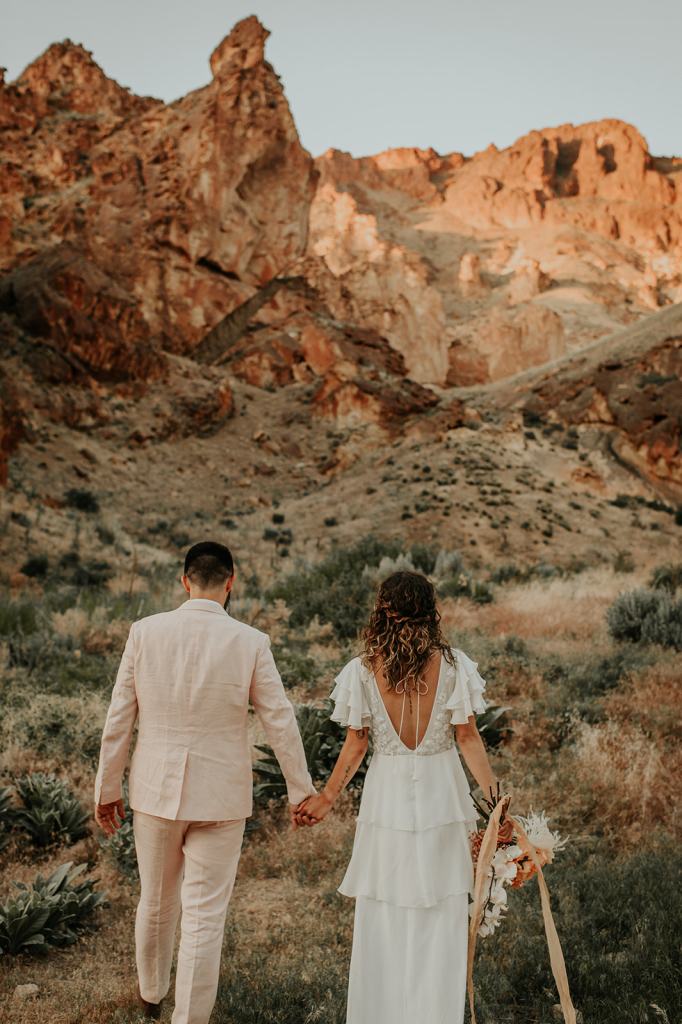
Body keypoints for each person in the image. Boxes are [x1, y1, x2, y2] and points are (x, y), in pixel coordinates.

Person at [94, 541, 316, 1024]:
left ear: (184, 580)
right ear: (231, 582)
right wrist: (301, 790)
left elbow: (119, 718)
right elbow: (280, 720)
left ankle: (151, 995)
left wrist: (107, 787)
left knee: (155, 901)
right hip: (221, 797)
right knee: (204, 916)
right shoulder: (250, 641)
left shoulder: (144, 632)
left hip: (155, 790)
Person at [295, 570, 513, 1024]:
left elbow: (356, 746)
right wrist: (497, 807)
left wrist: (327, 798)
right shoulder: (454, 667)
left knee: (385, 910)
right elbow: (468, 739)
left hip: (387, 798)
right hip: (443, 794)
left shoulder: (362, 670)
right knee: (442, 909)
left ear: (382, 612)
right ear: (432, 612)